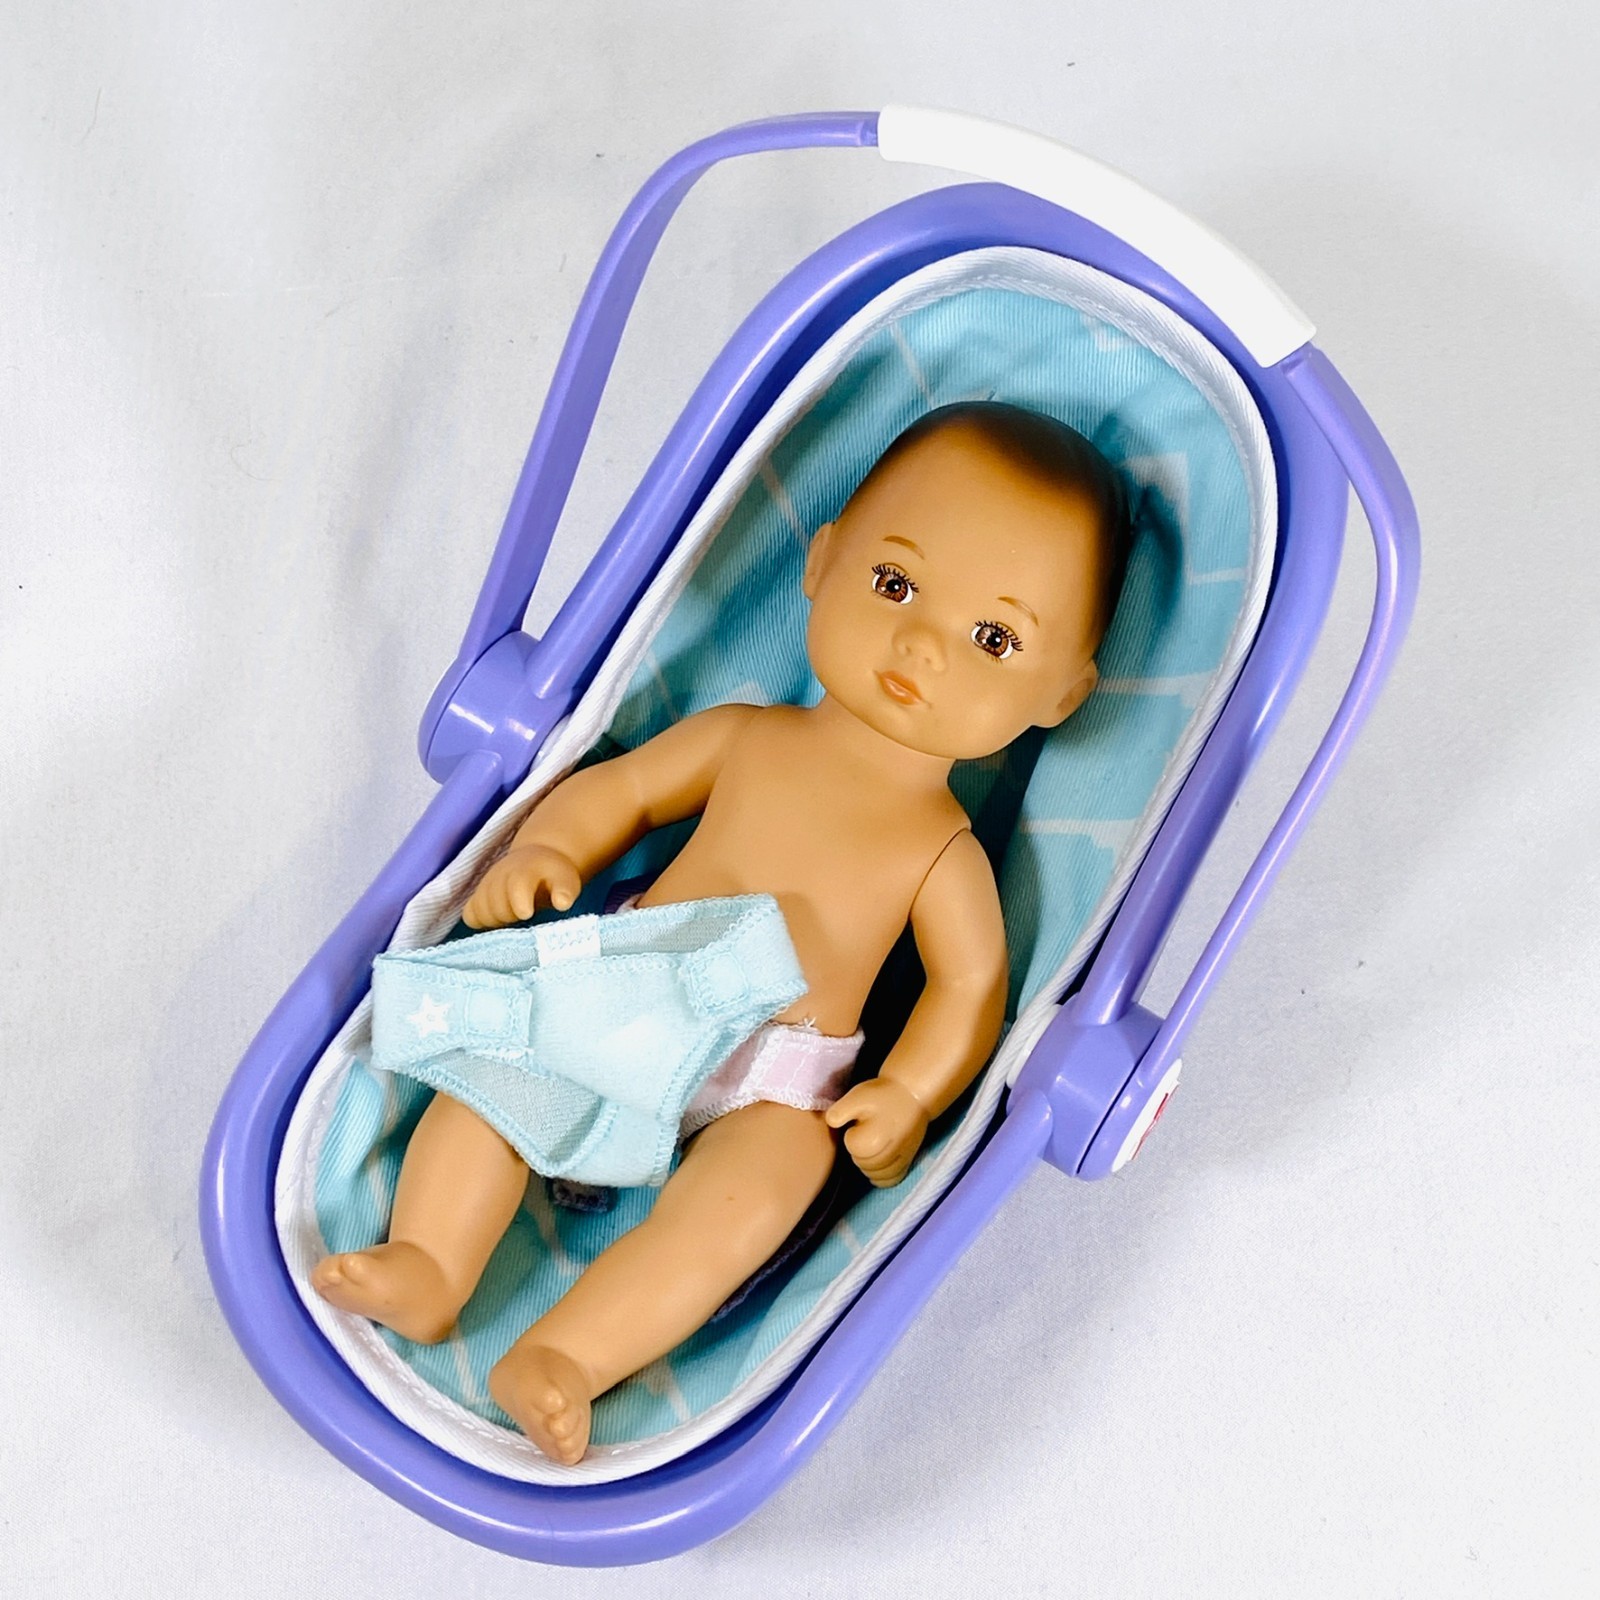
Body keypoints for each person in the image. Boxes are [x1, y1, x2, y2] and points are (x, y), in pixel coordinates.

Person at [313, 401, 1129, 1463]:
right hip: (629, 993)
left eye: (994, 640)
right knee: (496, 1081)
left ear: (1062, 694)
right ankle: (430, 1261)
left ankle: (566, 1357)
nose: (924, 645)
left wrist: (910, 1092)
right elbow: (624, 790)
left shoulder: (942, 850)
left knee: (753, 1197)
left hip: (781, 1076)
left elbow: (968, 990)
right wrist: (545, 850)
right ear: (820, 561)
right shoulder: (749, 737)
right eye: (894, 583)